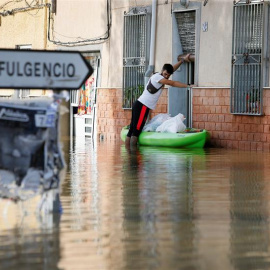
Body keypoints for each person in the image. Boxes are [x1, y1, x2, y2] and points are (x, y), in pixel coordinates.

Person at [125, 53, 192, 148]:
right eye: (165, 74)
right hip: (142, 106)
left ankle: (129, 156)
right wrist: (188, 85)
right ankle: (133, 157)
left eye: (168, 75)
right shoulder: (157, 77)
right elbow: (172, 83)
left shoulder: (160, 76)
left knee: (132, 129)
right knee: (136, 131)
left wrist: (182, 61)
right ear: (162, 71)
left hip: (140, 104)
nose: (166, 77)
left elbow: (172, 69)